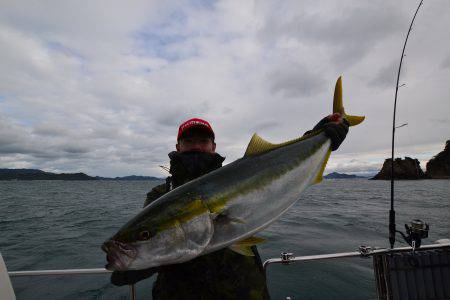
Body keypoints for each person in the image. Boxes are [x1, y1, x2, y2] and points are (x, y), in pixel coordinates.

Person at [111, 115, 349, 299]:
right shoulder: (161, 195)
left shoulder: (242, 172)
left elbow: (275, 166)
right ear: (178, 145)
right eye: (189, 141)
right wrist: (133, 264)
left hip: (243, 292)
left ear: (213, 146)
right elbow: (154, 240)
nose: (196, 146)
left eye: (203, 141)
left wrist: (319, 137)